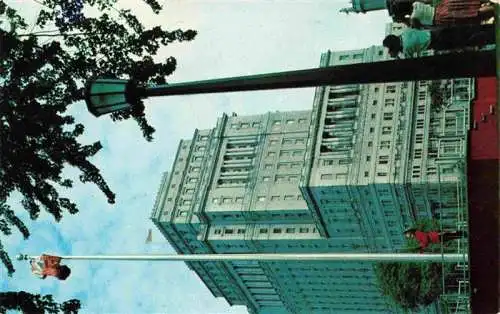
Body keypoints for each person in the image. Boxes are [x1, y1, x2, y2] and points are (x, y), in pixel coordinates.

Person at [382, 23, 496, 58]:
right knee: (467, 30)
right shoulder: (405, 32)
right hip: (437, 31)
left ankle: (491, 37)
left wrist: (395, 56)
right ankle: (492, 28)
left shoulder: (407, 48)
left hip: (437, 42)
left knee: (467, 41)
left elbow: (407, 60)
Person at [393, 0, 495, 27]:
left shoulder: (414, 17)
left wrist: (403, 21)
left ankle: (492, 9)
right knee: (466, 4)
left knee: (467, 14)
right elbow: (428, 2)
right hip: (440, 8)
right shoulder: (416, 3)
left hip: (440, 18)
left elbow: (416, 26)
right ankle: (492, 4)